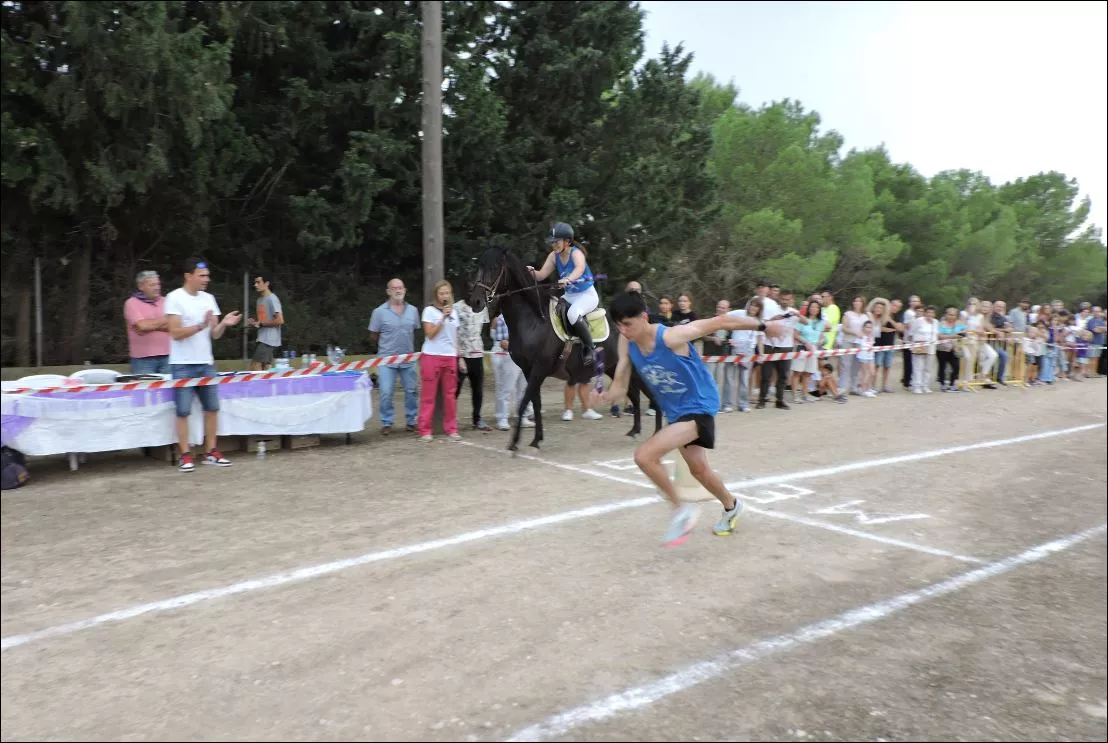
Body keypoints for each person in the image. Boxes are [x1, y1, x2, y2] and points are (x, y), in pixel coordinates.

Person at [592, 291, 787, 546]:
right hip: (678, 412)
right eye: (618, 325)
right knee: (699, 470)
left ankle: (680, 511)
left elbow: (721, 322)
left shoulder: (671, 336)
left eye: (627, 324)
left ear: (642, 317)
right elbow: (620, 386)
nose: (623, 330)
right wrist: (606, 397)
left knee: (644, 456)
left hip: (699, 405)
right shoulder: (627, 344)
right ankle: (732, 507)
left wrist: (764, 326)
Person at [164, 258, 243, 472]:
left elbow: (214, 334)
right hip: (182, 364)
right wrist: (200, 325)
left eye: (207, 276)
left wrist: (224, 324)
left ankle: (211, 452)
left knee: (213, 408)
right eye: (202, 276)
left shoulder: (209, 298)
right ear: (188, 276)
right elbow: (175, 333)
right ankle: (185, 455)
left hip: (206, 363)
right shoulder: (174, 298)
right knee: (182, 411)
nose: (206, 279)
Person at [528, 222, 598, 366]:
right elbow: (541, 275)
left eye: (556, 242)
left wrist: (568, 279)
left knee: (573, 314)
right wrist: (531, 272)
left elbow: (579, 269)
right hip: (569, 296)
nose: (554, 245)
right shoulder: (554, 256)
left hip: (586, 295)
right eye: (552, 242)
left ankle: (589, 348)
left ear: (567, 241)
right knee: (550, 311)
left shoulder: (576, 253)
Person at [368, 278, 421, 435]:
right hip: (386, 359)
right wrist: (386, 346)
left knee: (411, 391)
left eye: (401, 288)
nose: (398, 290)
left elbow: (415, 331)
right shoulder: (379, 312)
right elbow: (373, 335)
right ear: (388, 291)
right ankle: (387, 422)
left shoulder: (413, 311)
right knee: (385, 391)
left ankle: (411, 421)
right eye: (394, 288)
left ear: (405, 290)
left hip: (408, 359)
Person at [417, 279, 462, 443]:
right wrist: (442, 318)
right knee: (428, 395)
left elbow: (455, 337)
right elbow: (429, 334)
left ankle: (451, 429)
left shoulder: (455, 312)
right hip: (431, 355)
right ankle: (424, 430)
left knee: (450, 395)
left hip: (450, 357)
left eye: (447, 293)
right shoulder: (429, 311)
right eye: (441, 293)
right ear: (436, 295)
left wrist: (459, 356)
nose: (445, 296)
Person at [123, 270, 170, 375]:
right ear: (141, 286)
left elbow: (175, 325)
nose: (157, 288)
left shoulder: (167, 301)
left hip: (169, 357)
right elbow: (142, 326)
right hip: (142, 360)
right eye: (152, 285)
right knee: (146, 391)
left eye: (158, 284)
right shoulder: (131, 303)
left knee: (170, 391)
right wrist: (165, 320)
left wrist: (151, 326)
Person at [246, 275, 284, 371]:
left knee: (255, 367)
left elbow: (280, 320)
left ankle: (257, 386)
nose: (255, 285)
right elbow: (263, 321)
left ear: (267, 284)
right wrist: (255, 323)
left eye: (258, 282)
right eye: (255, 282)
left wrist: (262, 323)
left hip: (269, 340)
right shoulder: (259, 300)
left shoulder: (272, 299)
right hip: (262, 338)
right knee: (267, 369)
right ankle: (269, 386)